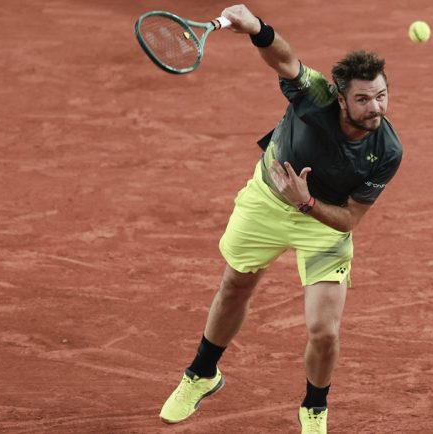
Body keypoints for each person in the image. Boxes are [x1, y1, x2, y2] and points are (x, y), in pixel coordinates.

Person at [159, 4, 403, 433]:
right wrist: (258, 28)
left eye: (381, 96)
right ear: (341, 98)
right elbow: (286, 60)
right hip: (268, 201)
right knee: (235, 285)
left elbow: (348, 220)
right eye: (363, 99)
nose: (374, 108)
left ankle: (314, 408)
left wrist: (306, 203)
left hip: (320, 220)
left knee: (324, 330)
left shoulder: (387, 151)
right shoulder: (316, 97)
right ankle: (201, 375)